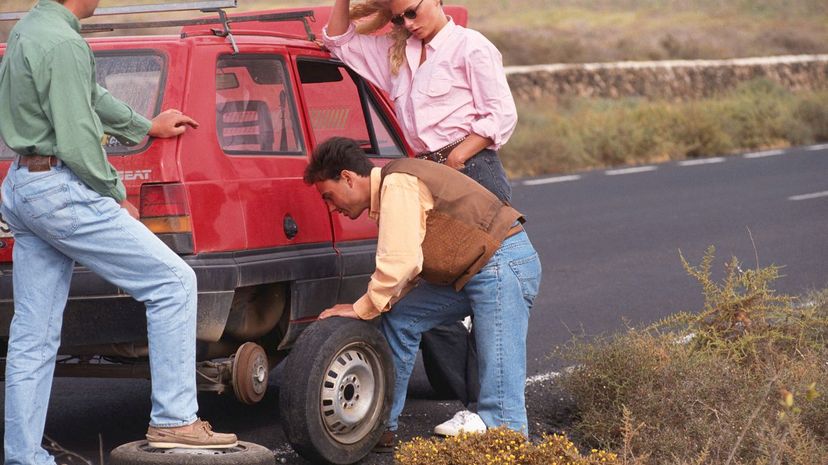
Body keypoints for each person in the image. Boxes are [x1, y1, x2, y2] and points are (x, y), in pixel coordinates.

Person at [0, 1, 236, 462]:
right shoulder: (64, 43)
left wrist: (145, 125)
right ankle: (175, 420)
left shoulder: (29, 28)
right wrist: (113, 193)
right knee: (174, 282)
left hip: (23, 185)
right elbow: (77, 136)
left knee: (34, 335)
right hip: (59, 189)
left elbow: (87, 96)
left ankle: (24, 456)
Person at [324, 0, 519, 433]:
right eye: (398, 19)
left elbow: (500, 116)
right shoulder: (398, 54)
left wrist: (454, 160)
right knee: (437, 284)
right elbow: (338, 42)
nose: (408, 25)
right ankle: (468, 407)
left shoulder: (471, 47)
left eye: (413, 13)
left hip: (469, 169)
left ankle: (488, 413)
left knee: (483, 290)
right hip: (428, 174)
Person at [305, 137, 541, 450]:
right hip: (473, 269)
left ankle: (509, 448)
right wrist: (380, 304)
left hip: (502, 262)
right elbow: (411, 268)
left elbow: (401, 261)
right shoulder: (394, 185)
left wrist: (362, 307)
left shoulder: (398, 183)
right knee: (401, 318)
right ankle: (380, 425)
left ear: (348, 178)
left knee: (501, 409)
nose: (332, 208)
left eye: (329, 197)